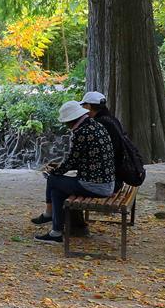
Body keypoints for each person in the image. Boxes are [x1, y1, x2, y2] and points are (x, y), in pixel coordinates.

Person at [33, 101, 116, 244]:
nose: (66, 126)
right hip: (107, 182)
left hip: (95, 185)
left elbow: (72, 161)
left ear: (72, 120)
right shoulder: (96, 125)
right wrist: (59, 168)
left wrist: (55, 170)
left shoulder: (81, 133)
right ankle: (56, 231)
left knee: (53, 180)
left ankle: (49, 214)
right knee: (57, 191)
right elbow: (80, 159)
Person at [81, 91, 126, 192]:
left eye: (83, 105)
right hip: (116, 178)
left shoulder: (98, 124)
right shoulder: (112, 120)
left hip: (107, 181)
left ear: (88, 106)